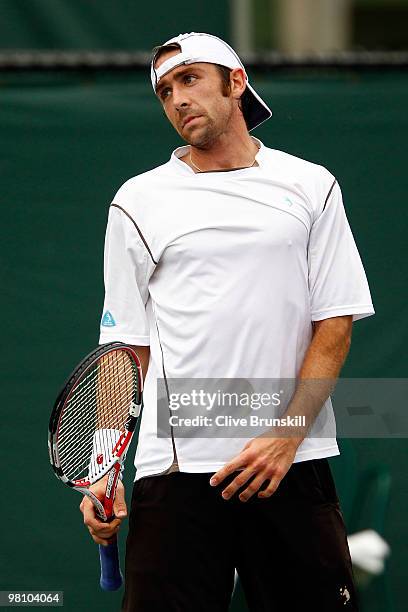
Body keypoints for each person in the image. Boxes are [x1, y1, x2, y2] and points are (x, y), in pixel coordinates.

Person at [80, 32, 374, 611]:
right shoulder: (137, 201)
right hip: (174, 471)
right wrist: (104, 465)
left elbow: (335, 322)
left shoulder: (312, 186)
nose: (178, 100)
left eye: (190, 80)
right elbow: (126, 348)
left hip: (293, 463)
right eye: (165, 92)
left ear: (235, 83)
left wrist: (286, 437)